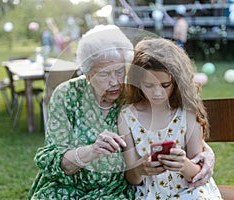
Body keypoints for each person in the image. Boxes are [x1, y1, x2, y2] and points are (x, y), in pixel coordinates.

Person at [28, 25, 215, 199]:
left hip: (115, 192)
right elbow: (51, 157)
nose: (115, 82)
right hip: (66, 189)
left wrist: (207, 153)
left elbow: (175, 127)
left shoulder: (136, 92)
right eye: (104, 74)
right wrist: (90, 151)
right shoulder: (67, 95)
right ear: (87, 74)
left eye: (119, 71)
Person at [118, 38, 222, 199]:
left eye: (165, 85)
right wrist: (140, 169)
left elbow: (198, 174)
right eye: (149, 85)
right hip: (150, 194)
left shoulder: (187, 113)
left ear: (176, 81)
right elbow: (132, 178)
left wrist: (184, 165)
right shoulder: (127, 117)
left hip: (190, 192)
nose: (157, 93)